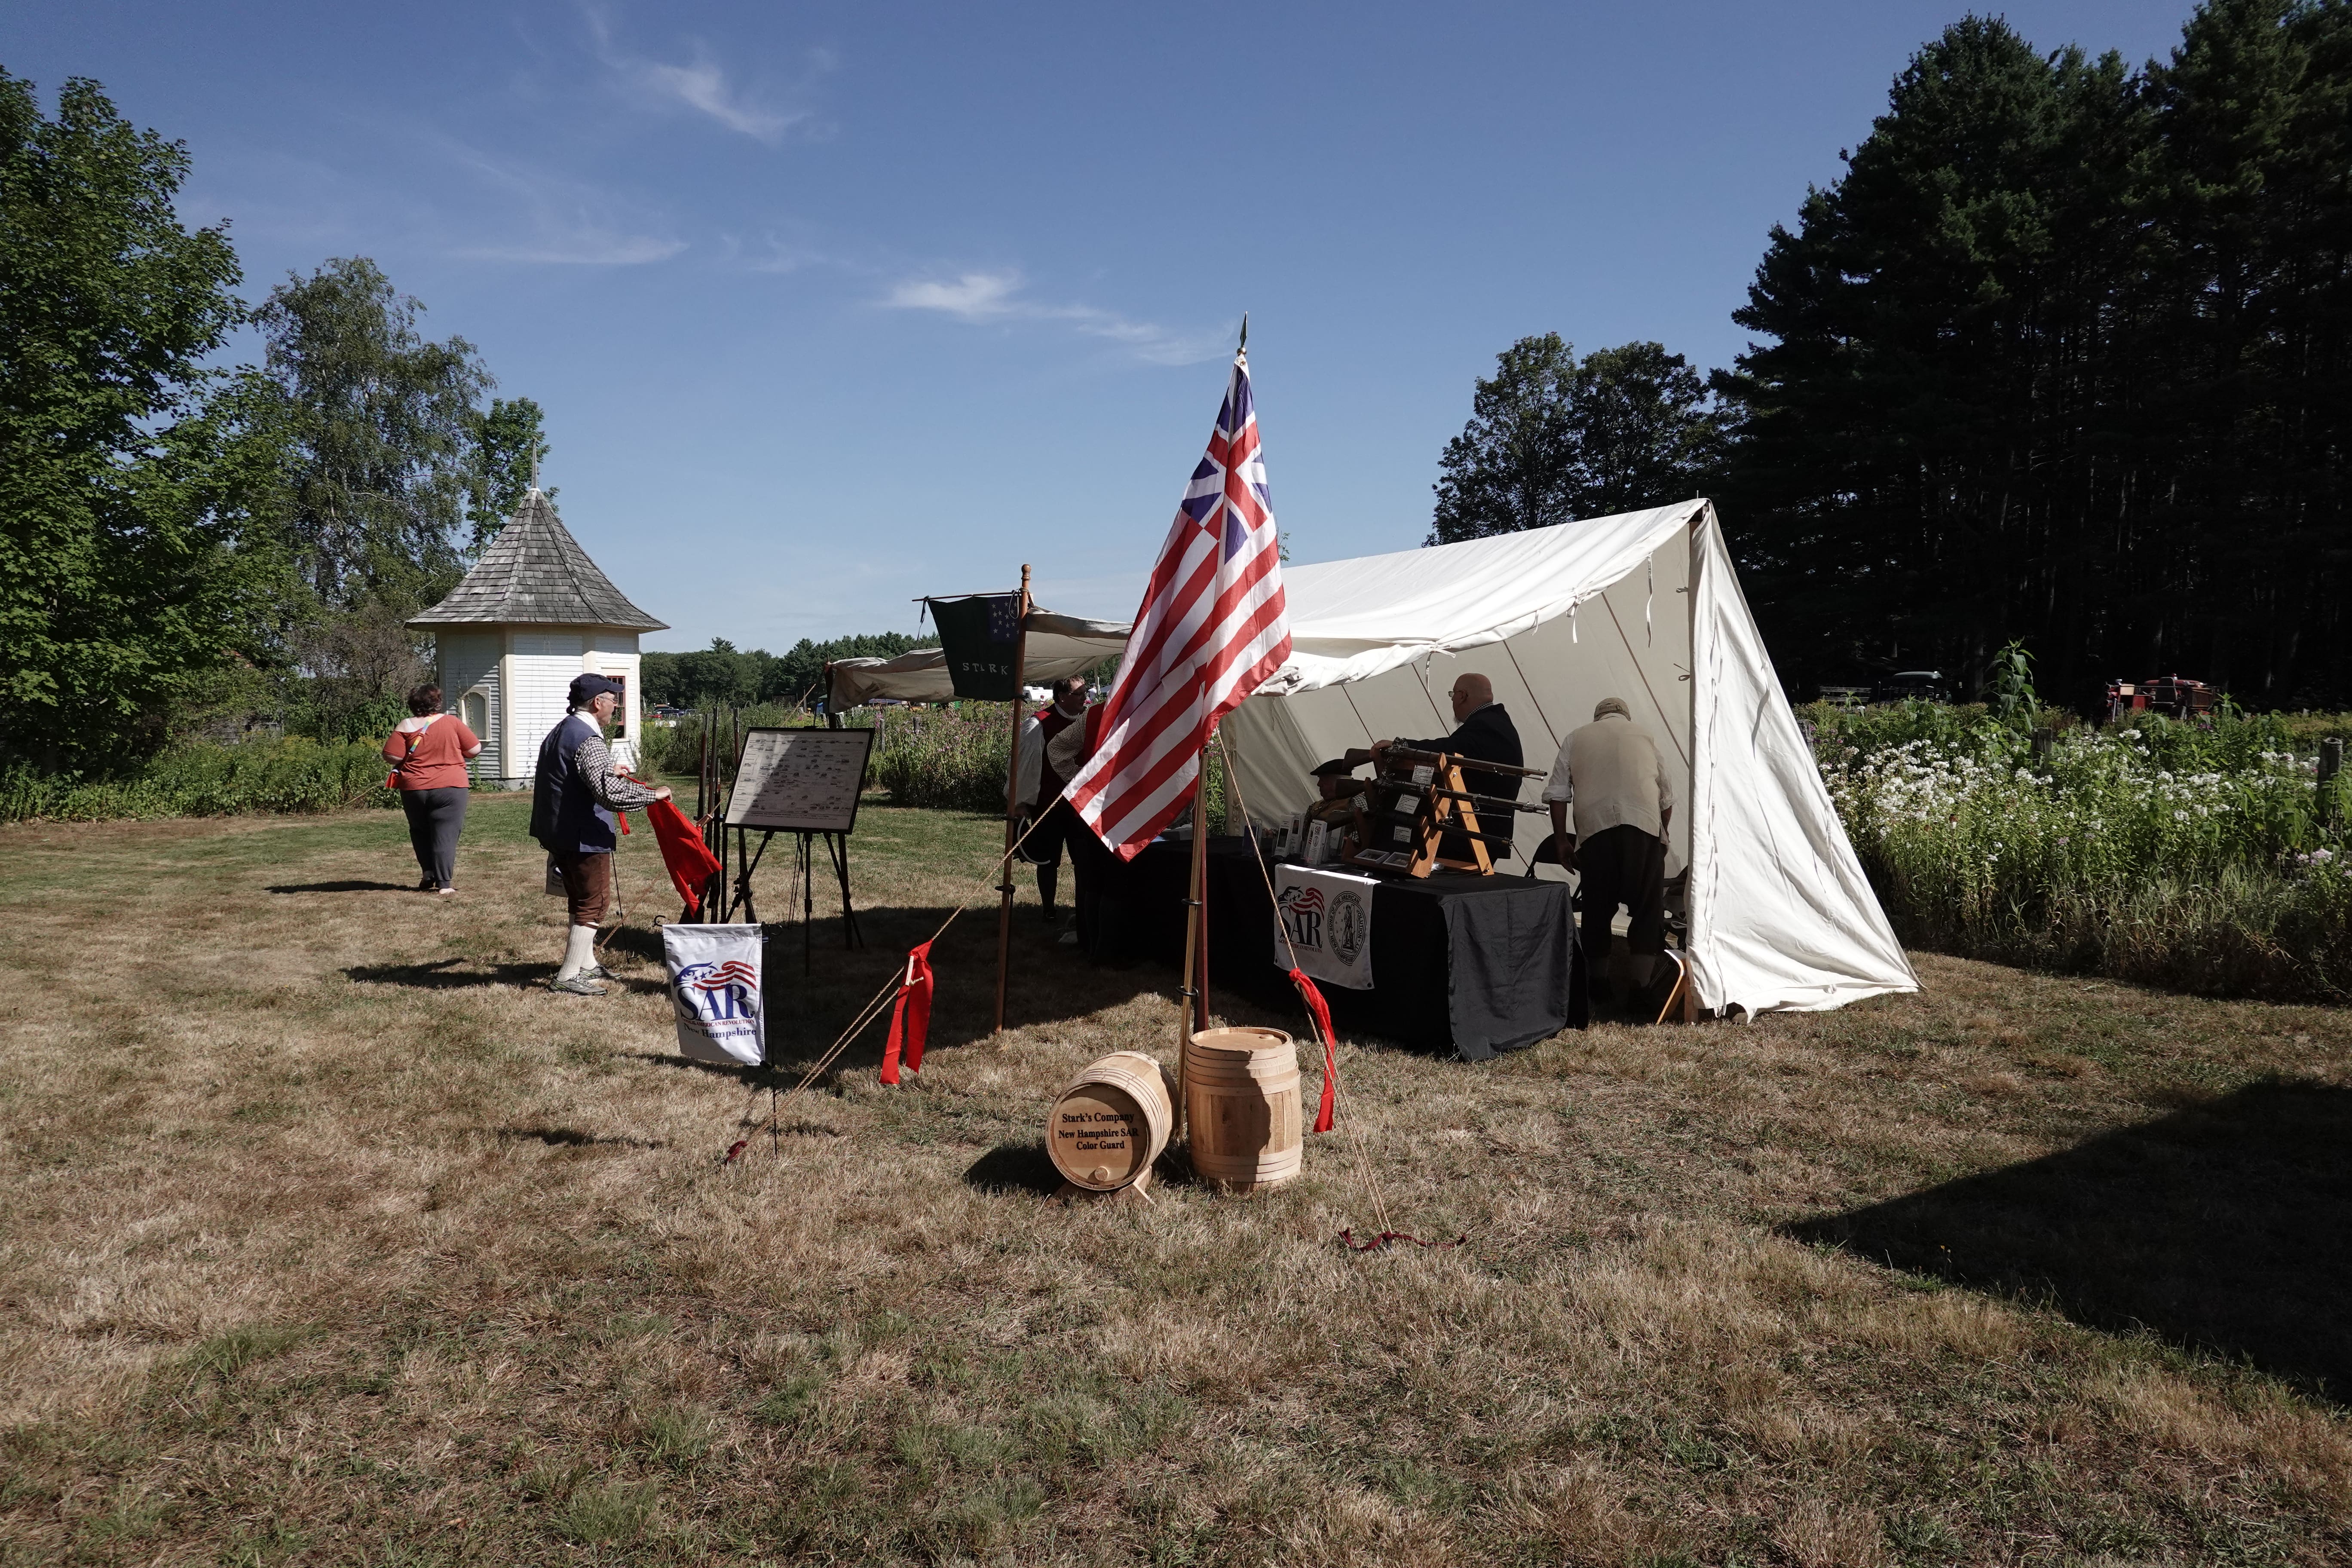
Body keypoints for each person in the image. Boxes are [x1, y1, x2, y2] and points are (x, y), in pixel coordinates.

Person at [531, 674, 671, 996]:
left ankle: (587, 963)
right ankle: (567, 975)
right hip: (580, 833)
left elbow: (576, 776)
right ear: (598, 703)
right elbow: (610, 796)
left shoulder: (564, 730)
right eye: (613, 700)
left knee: (580, 898)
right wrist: (656, 795)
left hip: (556, 829)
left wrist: (611, 770)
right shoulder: (589, 739)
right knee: (594, 904)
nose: (616, 707)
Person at [1542, 696, 1675, 1004]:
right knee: (1646, 908)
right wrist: (1661, 835)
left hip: (1596, 829)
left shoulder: (1576, 737)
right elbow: (1666, 797)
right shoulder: (1644, 735)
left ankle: (1598, 983)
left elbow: (1559, 793)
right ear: (1625, 716)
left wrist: (1562, 839)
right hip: (1642, 826)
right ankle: (1640, 987)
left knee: (1598, 908)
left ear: (1597, 717)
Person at [1369, 671, 1524, 860]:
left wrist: (1404, 746)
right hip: (1476, 828)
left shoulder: (1486, 725)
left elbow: (1448, 750)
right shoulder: (1493, 722)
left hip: (1475, 831)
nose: (1453, 701)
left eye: (1453, 695)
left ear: (1462, 696)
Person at [382, 683, 481, 894]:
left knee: (419, 830)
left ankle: (428, 872)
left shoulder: (405, 726)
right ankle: (444, 884)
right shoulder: (451, 722)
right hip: (451, 786)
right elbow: (474, 749)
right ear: (437, 702)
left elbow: (392, 756)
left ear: (413, 704)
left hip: (414, 787)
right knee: (445, 833)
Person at [1012, 676, 1091, 924]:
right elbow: (1025, 765)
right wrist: (1022, 801)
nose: (1085, 699)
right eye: (1079, 694)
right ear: (1062, 697)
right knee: (1048, 859)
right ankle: (1049, 909)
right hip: (1050, 804)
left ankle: (1083, 908)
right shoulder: (1039, 724)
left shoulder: (1089, 721)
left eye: (1085, 693)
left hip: (1081, 805)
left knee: (1083, 859)